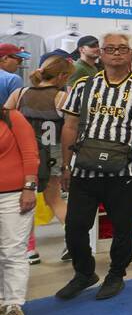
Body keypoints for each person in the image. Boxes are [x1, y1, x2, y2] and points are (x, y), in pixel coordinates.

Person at [57, 31, 132, 301]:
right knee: (75, 226)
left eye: (122, 49)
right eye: (110, 48)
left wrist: (131, 146)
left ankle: (116, 273)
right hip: (84, 170)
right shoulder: (82, 85)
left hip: (124, 172)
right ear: (100, 53)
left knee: (123, 226)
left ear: (130, 54)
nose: (116, 53)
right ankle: (84, 273)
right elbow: (69, 126)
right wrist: (66, 165)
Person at [7, 54, 74, 263]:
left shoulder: (20, 93)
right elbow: (70, 131)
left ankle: (29, 249)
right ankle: (74, 242)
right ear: (62, 76)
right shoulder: (62, 98)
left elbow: (5, 123)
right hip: (52, 154)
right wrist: (66, 164)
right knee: (54, 199)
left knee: (22, 201)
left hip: (22, 154)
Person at [0, 103, 39, 315]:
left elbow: (30, 153)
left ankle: (14, 306)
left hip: (14, 196)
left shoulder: (13, 117)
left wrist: (29, 188)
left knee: (13, 250)